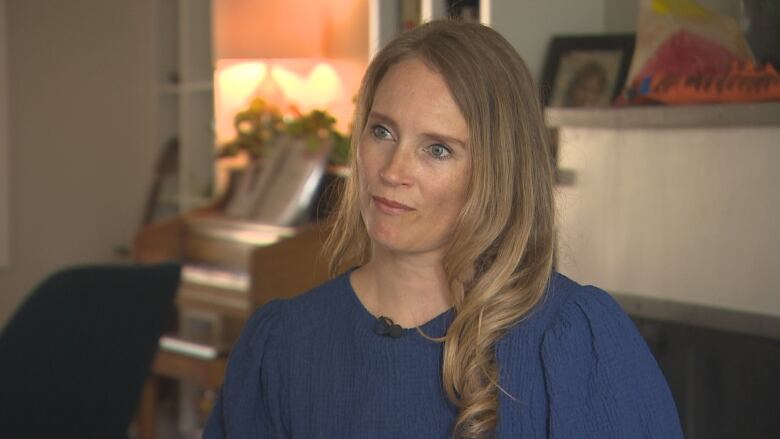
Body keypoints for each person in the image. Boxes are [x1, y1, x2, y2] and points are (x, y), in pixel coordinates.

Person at [204, 20, 683, 438]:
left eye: (438, 149)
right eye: (383, 131)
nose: (393, 170)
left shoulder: (571, 342)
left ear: (497, 172)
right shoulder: (282, 344)